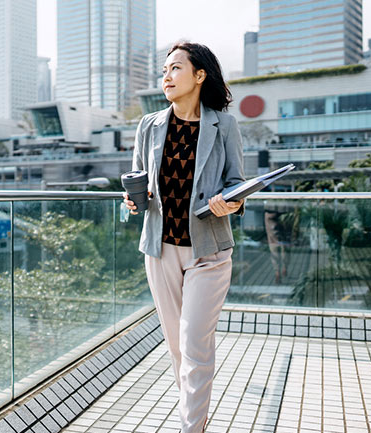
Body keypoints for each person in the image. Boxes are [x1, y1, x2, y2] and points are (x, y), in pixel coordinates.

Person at [123, 41, 245, 433]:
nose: (166, 77)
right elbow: (138, 181)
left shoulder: (223, 125)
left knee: (195, 344)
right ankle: (196, 419)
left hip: (208, 251)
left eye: (175, 68)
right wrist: (133, 200)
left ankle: (189, 428)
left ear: (199, 75)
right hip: (160, 250)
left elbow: (237, 184)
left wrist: (233, 203)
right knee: (178, 347)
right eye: (164, 70)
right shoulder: (149, 125)